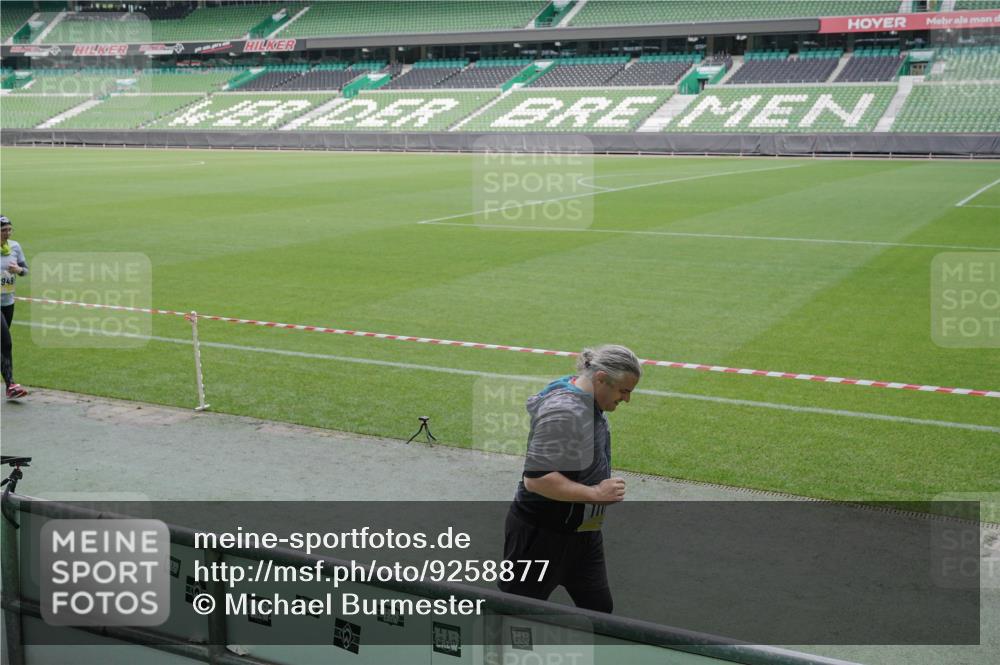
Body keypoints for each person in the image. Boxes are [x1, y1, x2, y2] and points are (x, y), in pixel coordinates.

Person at [498, 344, 642, 613]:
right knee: (517, 613)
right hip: (540, 536)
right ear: (600, 379)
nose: (626, 399)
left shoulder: (589, 401)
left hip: (583, 534)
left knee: (599, 611)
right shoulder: (564, 412)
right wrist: (596, 494)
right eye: (624, 391)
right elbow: (537, 479)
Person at [1, 215, 29, 399]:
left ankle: (10, 385)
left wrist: (18, 271)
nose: (7, 233)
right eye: (3, 230)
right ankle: (11, 384)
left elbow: (25, 270)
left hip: (8, 302)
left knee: (1, 344)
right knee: (5, 342)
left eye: (10, 229)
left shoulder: (15, 247)